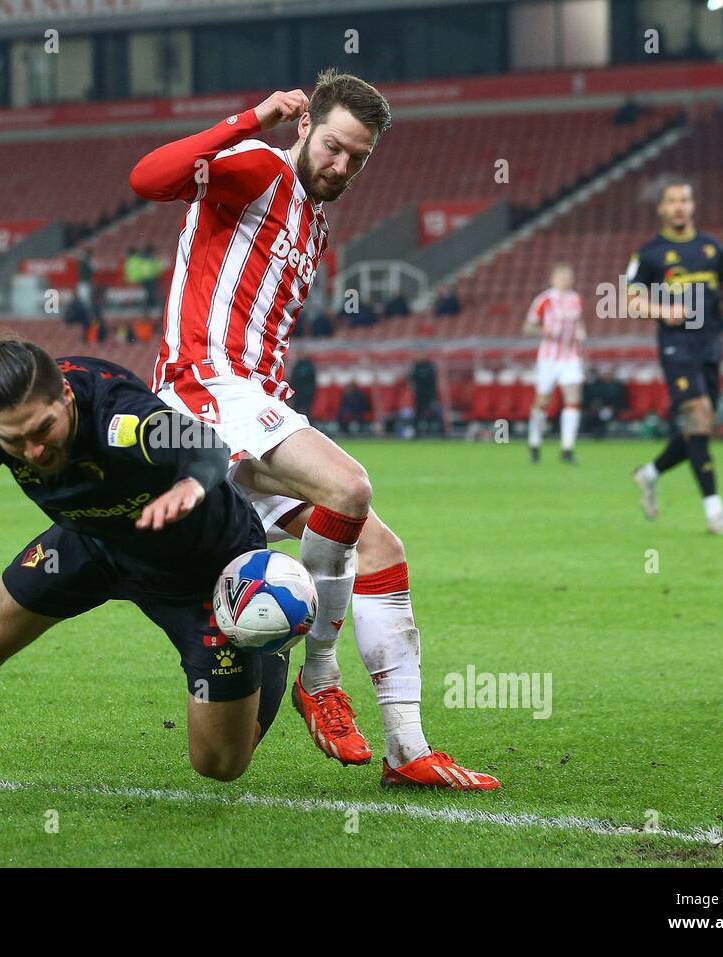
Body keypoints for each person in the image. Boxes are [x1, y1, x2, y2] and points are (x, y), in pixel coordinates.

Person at [130, 69, 497, 789]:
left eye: (357, 158)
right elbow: (148, 177)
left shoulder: (315, 219)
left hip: (252, 410)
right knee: (348, 484)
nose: (341, 166)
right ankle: (320, 677)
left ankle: (406, 748)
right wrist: (251, 114)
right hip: (202, 393)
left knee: (380, 546)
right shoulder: (260, 167)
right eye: (332, 147)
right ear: (303, 127)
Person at [0, 331, 290, 799]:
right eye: (16, 441)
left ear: (67, 396)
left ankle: (266, 640)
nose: (34, 451)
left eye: (43, 430)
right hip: (93, 542)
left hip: (203, 572)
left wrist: (190, 487)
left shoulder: (120, 414)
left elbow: (205, 445)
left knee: (219, 764)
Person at [627, 179, 723, 535]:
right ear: (661, 209)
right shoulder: (650, 254)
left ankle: (649, 474)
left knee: (700, 427)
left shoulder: (714, 249)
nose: (679, 206)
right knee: (698, 417)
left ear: (693, 205)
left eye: (685, 200)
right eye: (672, 201)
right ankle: (715, 514)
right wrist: (661, 310)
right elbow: (629, 300)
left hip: (710, 344)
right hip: (676, 345)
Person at [524, 264, 586, 464]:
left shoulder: (576, 299)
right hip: (549, 357)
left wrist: (581, 333)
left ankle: (567, 448)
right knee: (543, 401)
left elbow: (579, 323)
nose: (566, 279)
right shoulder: (544, 299)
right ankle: (534, 442)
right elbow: (528, 326)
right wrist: (544, 332)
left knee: (574, 399)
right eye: (562, 276)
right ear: (553, 279)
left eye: (569, 276)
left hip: (571, 356)